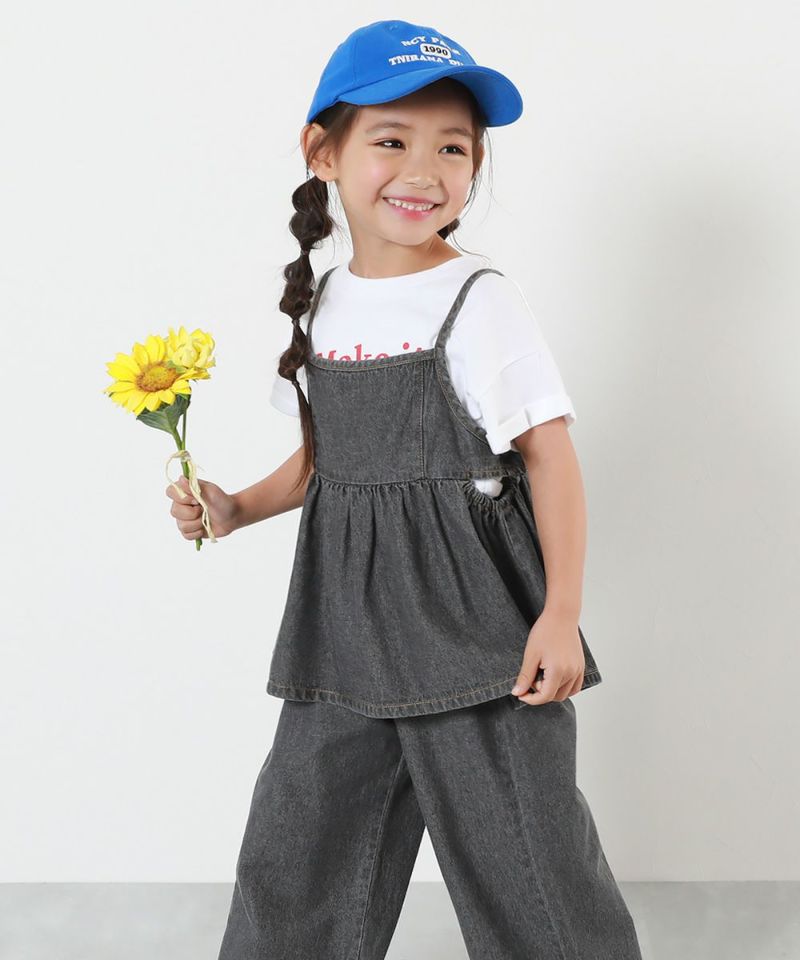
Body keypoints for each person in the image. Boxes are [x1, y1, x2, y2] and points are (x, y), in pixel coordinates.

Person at [166, 18, 644, 959]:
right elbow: (329, 458)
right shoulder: (320, 302)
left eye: (452, 148)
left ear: (475, 166)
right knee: (299, 852)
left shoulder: (480, 298)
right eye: (391, 141)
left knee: (527, 860)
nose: (423, 171)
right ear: (324, 153)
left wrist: (560, 615)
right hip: (342, 628)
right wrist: (236, 508)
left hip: (476, 634)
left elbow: (550, 457)